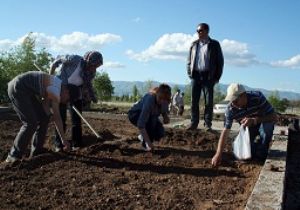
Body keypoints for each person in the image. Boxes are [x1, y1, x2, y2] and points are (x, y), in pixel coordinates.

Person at [5, 71, 70, 163]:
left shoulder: (56, 84)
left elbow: (45, 104)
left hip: (26, 90)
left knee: (43, 118)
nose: (65, 102)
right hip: (18, 88)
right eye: (67, 99)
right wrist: (64, 140)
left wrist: (48, 115)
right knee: (30, 123)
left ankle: (37, 151)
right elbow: (57, 117)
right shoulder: (56, 91)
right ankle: (13, 156)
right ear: (67, 91)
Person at [211, 83, 278, 167]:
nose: (233, 104)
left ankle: (262, 153)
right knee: (244, 154)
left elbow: (274, 117)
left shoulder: (257, 98)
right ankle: (257, 147)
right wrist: (218, 154)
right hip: (248, 128)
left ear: (243, 95)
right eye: (231, 101)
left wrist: (255, 120)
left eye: (235, 101)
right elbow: (225, 131)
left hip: (262, 123)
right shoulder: (230, 109)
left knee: (266, 129)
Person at [49, 51, 103, 151]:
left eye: (97, 66)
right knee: (61, 118)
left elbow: (88, 85)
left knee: (77, 119)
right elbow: (58, 59)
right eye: (94, 65)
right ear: (88, 60)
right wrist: (50, 79)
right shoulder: (75, 60)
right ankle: (59, 144)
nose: (94, 68)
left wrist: (92, 97)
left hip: (76, 92)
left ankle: (77, 143)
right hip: (62, 88)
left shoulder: (91, 72)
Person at [187, 23, 224, 131]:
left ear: (207, 31)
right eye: (197, 31)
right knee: (194, 100)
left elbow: (220, 62)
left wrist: (217, 77)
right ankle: (194, 123)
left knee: (209, 101)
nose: (198, 33)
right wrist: (190, 73)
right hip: (196, 75)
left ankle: (208, 124)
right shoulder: (193, 45)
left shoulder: (215, 44)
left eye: (201, 31)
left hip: (209, 76)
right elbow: (189, 61)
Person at [128, 84, 171, 151]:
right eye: (160, 98)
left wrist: (165, 116)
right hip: (135, 114)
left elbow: (164, 113)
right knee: (152, 121)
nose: (162, 101)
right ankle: (145, 143)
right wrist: (149, 144)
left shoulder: (165, 103)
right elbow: (141, 124)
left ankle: (143, 137)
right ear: (157, 94)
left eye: (165, 99)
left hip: (150, 117)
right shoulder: (150, 100)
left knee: (160, 132)